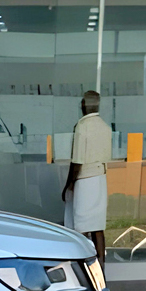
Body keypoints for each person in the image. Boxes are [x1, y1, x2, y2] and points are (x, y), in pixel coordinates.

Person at [62, 90, 113, 261]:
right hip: (100, 178)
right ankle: (101, 268)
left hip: (85, 180)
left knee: (81, 226)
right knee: (98, 226)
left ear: (83, 105)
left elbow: (77, 160)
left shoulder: (82, 126)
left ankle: (83, 266)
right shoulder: (105, 126)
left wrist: (69, 184)